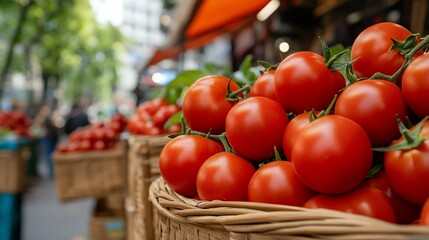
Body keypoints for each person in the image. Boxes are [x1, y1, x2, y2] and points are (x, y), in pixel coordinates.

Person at [32, 105, 60, 178]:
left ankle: (52, 170)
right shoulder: (40, 118)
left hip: (52, 138)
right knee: (48, 155)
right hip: (46, 139)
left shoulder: (50, 118)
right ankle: (51, 171)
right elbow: (37, 129)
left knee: (51, 154)